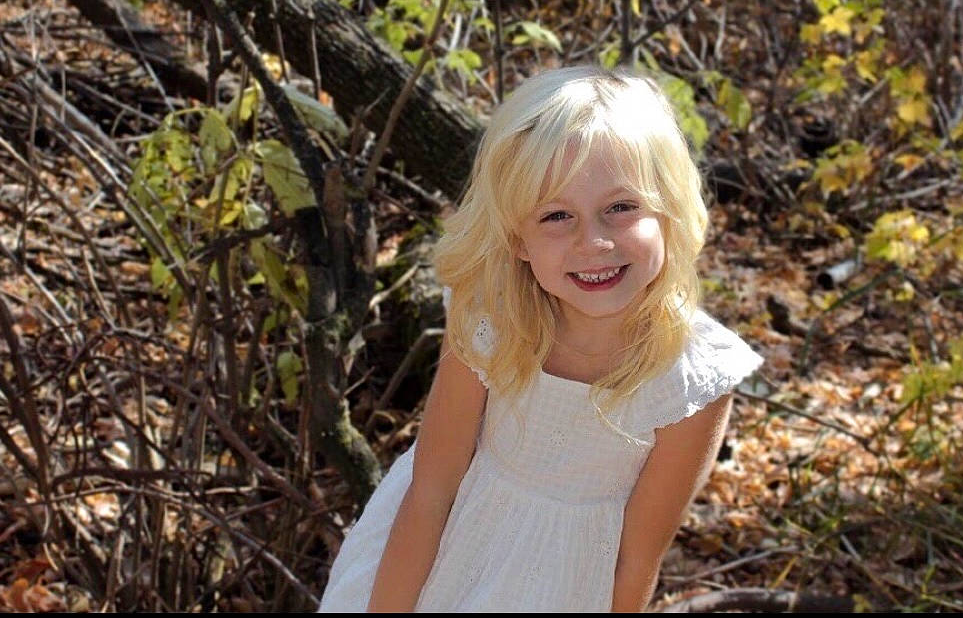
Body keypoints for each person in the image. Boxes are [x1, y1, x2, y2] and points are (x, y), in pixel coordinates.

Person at [319, 66, 762, 612]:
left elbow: (636, 559)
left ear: (668, 212)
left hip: (568, 590)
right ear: (517, 240)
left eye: (621, 208)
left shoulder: (691, 379)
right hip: (438, 566)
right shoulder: (492, 324)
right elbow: (432, 493)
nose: (594, 241)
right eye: (556, 216)